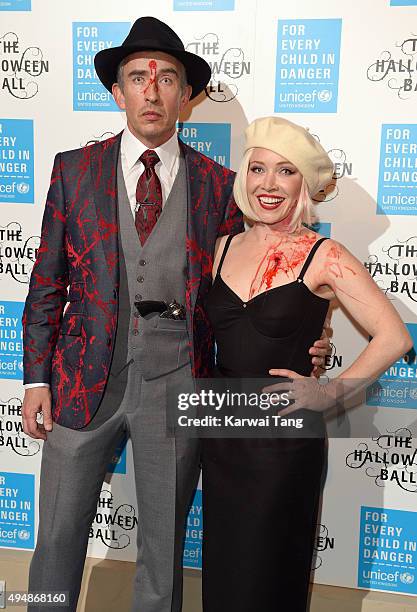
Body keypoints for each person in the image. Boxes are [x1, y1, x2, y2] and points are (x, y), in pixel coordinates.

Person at [21, 19, 329, 612]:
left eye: (167, 78)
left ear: (186, 96)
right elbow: (46, 282)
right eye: (138, 78)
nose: (153, 91)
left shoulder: (221, 184)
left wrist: (304, 339)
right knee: (55, 539)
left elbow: (254, 278)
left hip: (181, 386)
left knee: (162, 553)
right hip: (82, 382)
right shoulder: (72, 170)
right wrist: (35, 377)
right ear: (119, 92)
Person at [201, 116, 412, 612]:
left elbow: (394, 337)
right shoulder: (221, 247)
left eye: (285, 172)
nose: (268, 185)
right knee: (225, 577)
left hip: (283, 441)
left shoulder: (324, 255)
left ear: (304, 185)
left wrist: (331, 390)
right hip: (222, 433)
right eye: (258, 170)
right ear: (243, 178)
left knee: (269, 578)